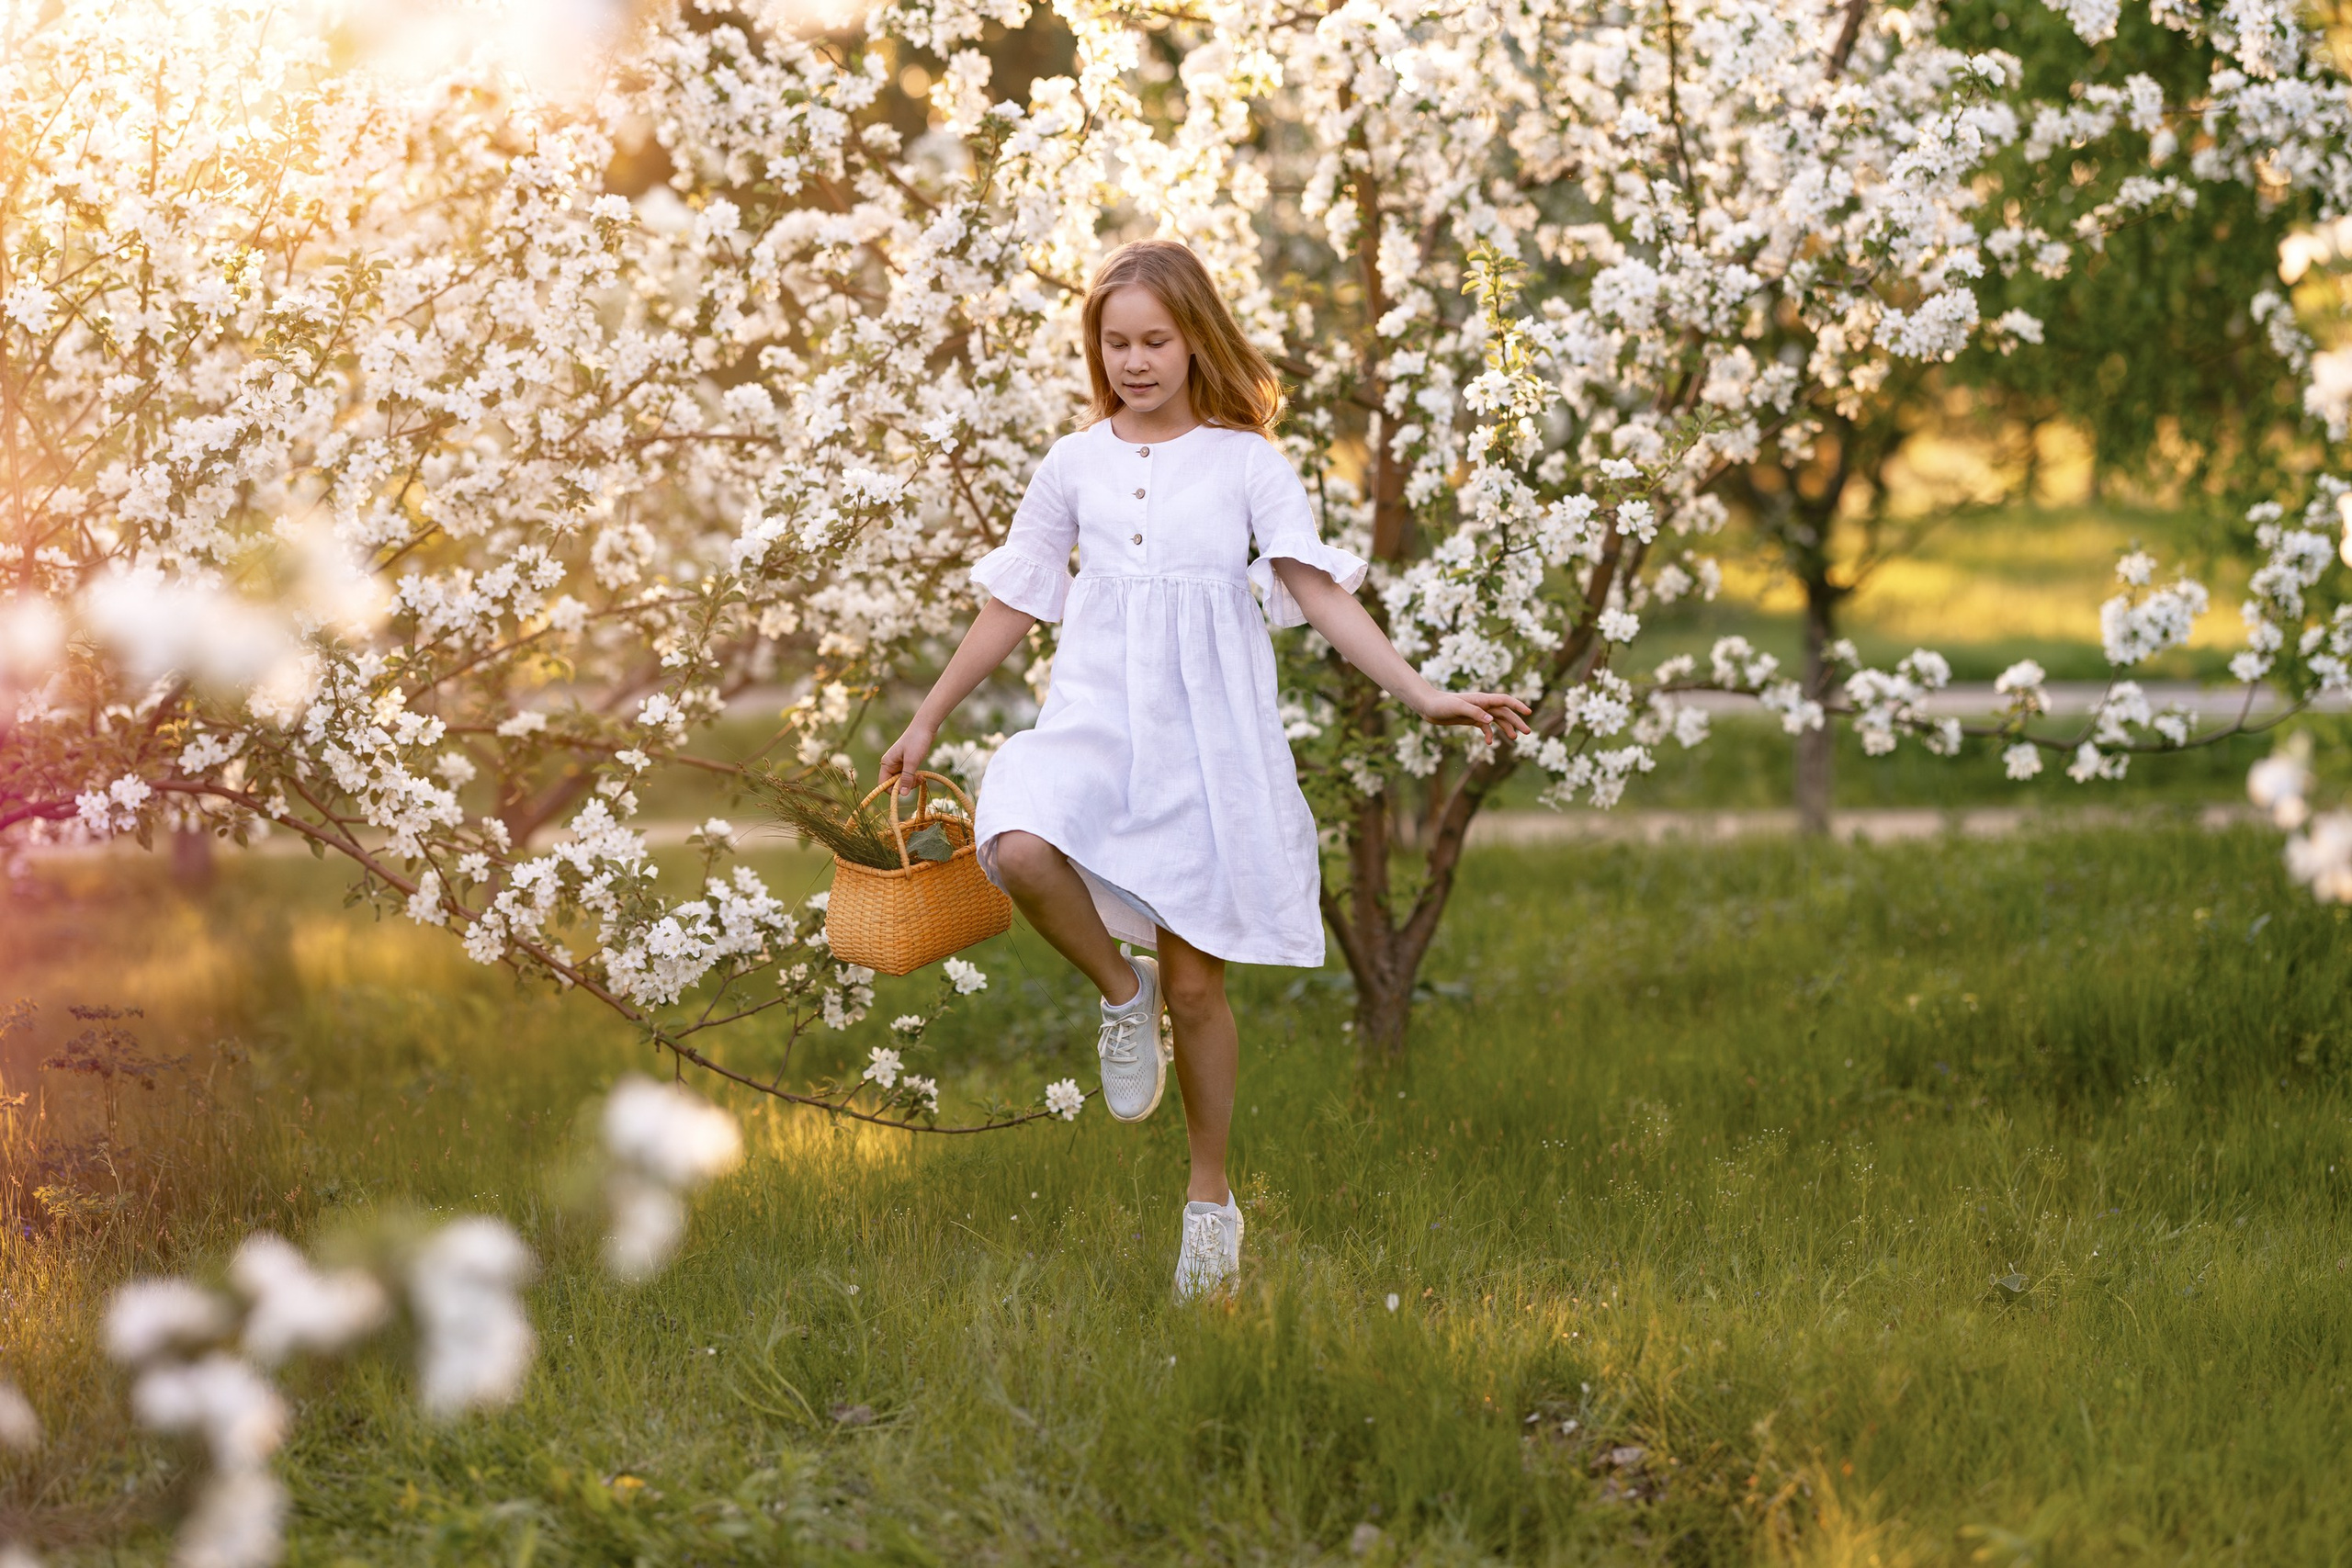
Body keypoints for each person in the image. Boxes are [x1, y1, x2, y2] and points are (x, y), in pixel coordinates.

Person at [878, 239, 1530, 1301]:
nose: (1134, 361)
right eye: (1116, 343)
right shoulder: (1073, 462)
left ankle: (1209, 1203)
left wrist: (1421, 693)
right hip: (1096, 720)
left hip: (1205, 741)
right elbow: (1015, 598)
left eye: (1155, 340)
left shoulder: (1244, 463)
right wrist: (927, 717)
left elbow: (1314, 588)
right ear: (1096, 349)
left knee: (1198, 986)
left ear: (1194, 341)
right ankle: (1117, 988)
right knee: (1017, 844)